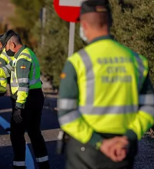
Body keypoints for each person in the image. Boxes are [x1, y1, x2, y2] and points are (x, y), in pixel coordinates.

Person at [57, 0, 154, 169]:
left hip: (85, 151)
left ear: (84, 26)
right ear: (109, 23)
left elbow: (66, 114)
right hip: (123, 150)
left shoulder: (77, 62)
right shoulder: (137, 61)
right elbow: (150, 108)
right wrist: (128, 138)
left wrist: (99, 143)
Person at [0, 30, 50, 169]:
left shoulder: (22, 58)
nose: (5, 50)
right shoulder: (22, 54)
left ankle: (19, 166)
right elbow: (6, 70)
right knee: (34, 133)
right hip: (34, 96)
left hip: (27, 99)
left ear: (12, 44)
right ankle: (44, 165)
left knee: (16, 134)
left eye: (6, 47)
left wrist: (19, 107)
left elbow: (23, 85)